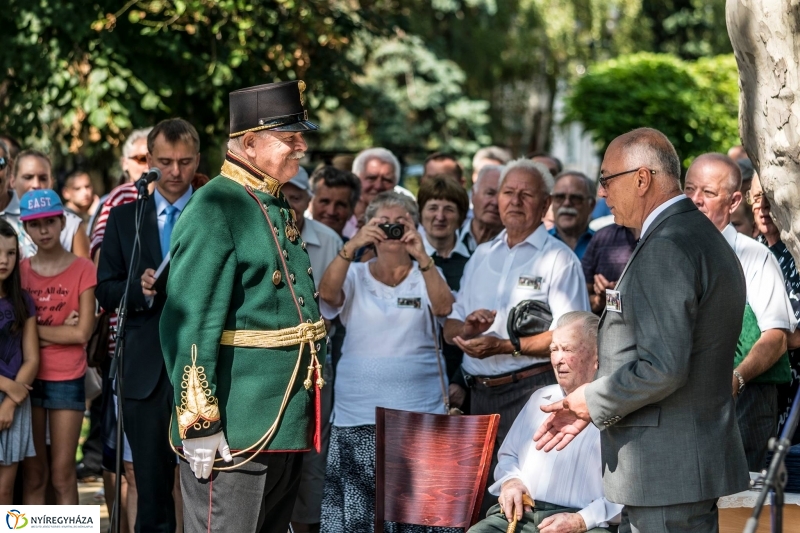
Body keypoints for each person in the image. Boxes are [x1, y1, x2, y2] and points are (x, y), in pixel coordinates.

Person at [534, 128, 749, 533]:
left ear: (642, 178)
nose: (602, 194)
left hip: (666, 472)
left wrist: (590, 400)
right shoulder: (690, 235)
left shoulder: (669, 244)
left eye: (606, 180)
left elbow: (662, 367)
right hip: (676, 467)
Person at [160, 81, 326, 533]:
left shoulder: (272, 200)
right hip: (235, 424)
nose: (302, 145)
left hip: (282, 418)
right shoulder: (216, 204)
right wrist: (198, 423)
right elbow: (190, 323)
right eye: (289, 137)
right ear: (250, 143)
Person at [443, 158, 589, 513]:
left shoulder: (560, 260)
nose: (515, 200)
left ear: (545, 204)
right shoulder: (481, 255)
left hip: (530, 394)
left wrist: (505, 346)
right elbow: (451, 325)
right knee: (474, 503)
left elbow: (572, 336)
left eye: (527, 194)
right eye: (509, 192)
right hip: (478, 398)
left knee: (524, 501)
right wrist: (468, 331)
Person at [318, 191, 455, 532]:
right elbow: (328, 296)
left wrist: (422, 255)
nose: (392, 230)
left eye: (401, 224)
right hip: (356, 417)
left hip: (419, 419)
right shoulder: (354, 275)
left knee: (417, 519)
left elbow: (444, 308)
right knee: (357, 521)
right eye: (383, 224)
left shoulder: (426, 274)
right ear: (366, 227)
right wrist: (352, 246)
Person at [97, 118, 201, 532]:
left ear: (197, 160)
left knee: (203, 486)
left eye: (185, 162)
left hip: (203, 366)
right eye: (165, 162)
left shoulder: (215, 211)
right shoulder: (124, 217)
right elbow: (104, 290)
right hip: (144, 371)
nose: (176, 172)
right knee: (150, 487)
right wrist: (136, 292)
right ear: (149, 164)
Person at [684, 153, 794, 471]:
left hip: (745, 399)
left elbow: (777, 338)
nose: (695, 200)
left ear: (733, 202)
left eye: (707, 192)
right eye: (689, 190)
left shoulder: (755, 258)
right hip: (685, 400)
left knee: (738, 502)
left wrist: (736, 380)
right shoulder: (673, 254)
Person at [468, 312, 622, 533]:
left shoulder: (618, 407)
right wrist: (511, 481)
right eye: (553, 350)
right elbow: (508, 456)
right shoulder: (541, 398)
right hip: (523, 517)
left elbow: (634, 490)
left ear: (597, 355)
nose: (557, 359)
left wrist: (581, 520)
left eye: (567, 350)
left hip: (588, 524)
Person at [19, 189, 96, 505]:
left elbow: (82, 333)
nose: (44, 230)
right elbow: (12, 330)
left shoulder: (82, 268)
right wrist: (58, 329)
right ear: (26, 228)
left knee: (64, 474)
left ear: (63, 222)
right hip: (28, 379)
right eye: (36, 225)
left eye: (50, 222)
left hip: (67, 377)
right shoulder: (20, 271)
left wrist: (32, 331)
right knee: (34, 474)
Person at [282, 167, 343, 533]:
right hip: (271, 361)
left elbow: (338, 307)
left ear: (309, 201)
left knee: (313, 454)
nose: (289, 203)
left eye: (297, 196)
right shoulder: (257, 229)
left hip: (318, 363)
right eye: (282, 194)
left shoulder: (330, 240)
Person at [748, 173, 800, 444]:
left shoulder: (796, 255)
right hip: (759, 389)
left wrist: (771, 336)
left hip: (794, 392)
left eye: (769, 196)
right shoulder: (750, 252)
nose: (762, 205)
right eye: (756, 196)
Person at [0, 220, 39, 504]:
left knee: (5, 490)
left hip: (14, 404)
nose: (4, 260)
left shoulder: (22, 301)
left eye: (11, 253)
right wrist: (9, 388)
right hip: (14, 390)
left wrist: (11, 401)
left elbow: (32, 358)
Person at [10, 152, 90, 259]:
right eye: (28, 177)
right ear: (12, 181)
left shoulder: (72, 225)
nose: (36, 185)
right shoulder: (4, 221)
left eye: (43, 178)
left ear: (51, 182)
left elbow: (84, 270)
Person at [345, 147, 413, 238]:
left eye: (386, 180)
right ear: (356, 179)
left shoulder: (407, 220)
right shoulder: (338, 216)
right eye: (371, 178)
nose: (378, 186)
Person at [580, 223, 637, 315]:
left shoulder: (660, 233)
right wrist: (605, 298)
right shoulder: (603, 237)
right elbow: (581, 301)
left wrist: (614, 296)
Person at [549, 171, 596, 259]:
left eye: (576, 198)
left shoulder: (604, 246)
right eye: (559, 197)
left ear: (591, 205)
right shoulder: (538, 244)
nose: (566, 203)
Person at [459, 164, 504, 253]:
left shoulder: (513, 248)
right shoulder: (449, 238)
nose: (495, 202)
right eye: (490, 193)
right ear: (473, 194)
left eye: (503, 196)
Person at [309, 166, 361, 238]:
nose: (331, 212)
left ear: (351, 211)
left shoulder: (357, 249)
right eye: (325, 202)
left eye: (340, 205)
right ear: (310, 202)